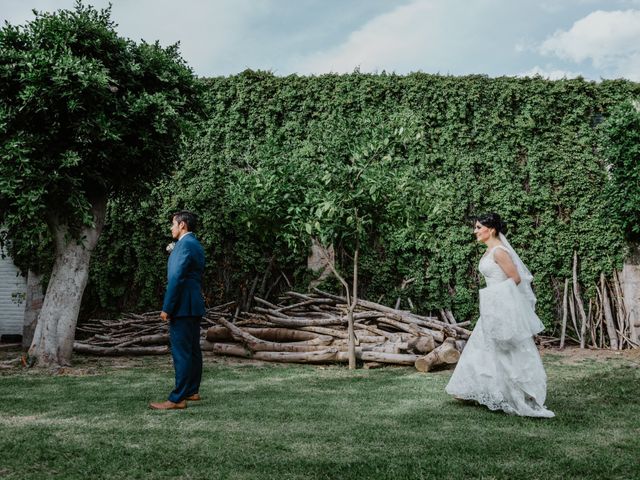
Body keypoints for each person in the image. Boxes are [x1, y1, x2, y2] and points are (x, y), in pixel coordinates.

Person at [445, 213, 554, 418]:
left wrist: (493, 297)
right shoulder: (489, 252)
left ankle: (516, 394)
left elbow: (516, 278)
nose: (475, 231)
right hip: (492, 306)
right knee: (484, 348)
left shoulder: (499, 252)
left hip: (501, 305)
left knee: (506, 350)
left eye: (478, 227)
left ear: (491, 229)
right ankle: (480, 390)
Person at [150, 211, 206, 410]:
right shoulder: (195, 244)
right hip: (194, 304)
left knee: (181, 352)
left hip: (182, 306)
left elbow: (176, 278)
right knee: (192, 350)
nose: (171, 228)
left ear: (182, 225)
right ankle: (192, 390)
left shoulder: (184, 245)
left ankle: (177, 399)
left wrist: (167, 307)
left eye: (173, 224)